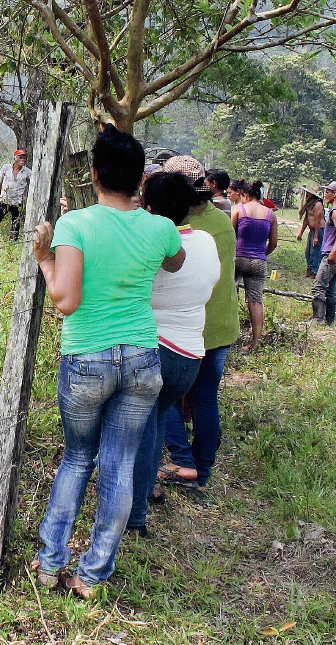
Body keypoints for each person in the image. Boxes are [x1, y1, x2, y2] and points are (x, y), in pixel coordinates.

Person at [30, 128, 185, 598]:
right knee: (119, 465)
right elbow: (175, 263)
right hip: (141, 358)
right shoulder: (159, 228)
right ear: (140, 179)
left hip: (87, 358)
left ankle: (50, 563)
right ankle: (92, 575)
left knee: (78, 459)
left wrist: (43, 257)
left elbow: (66, 300)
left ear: (93, 174)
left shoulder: (76, 224)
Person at [127, 169, 220, 537]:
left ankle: (135, 516)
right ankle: (145, 489)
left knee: (144, 429)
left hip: (158, 348)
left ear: (148, 207)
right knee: (155, 421)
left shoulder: (147, 244)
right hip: (191, 354)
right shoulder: (207, 242)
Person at [159, 156, 240, 490]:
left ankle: (181, 459)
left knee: (162, 396)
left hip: (188, 327)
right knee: (206, 398)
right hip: (221, 325)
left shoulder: (176, 227)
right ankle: (203, 469)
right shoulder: (222, 220)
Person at [231, 179, 278, 352]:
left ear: (245, 195)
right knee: (255, 301)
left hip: (238, 258)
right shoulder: (270, 214)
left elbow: (230, 236)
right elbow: (273, 243)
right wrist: (262, 254)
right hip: (258, 262)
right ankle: (255, 342)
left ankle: (229, 337)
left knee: (230, 296)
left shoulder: (238, 210)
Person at [311, 181, 336, 325]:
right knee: (331, 291)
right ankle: (330, 320)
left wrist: (332, 253)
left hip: (334, 255)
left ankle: (318, 319)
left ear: (334, 194)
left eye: (328, 192)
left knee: (318, 286)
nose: (325, 194)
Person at [0, 149, 31, 240]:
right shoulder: (6, 167)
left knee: (16, 223)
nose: (22, 159)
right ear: (15, 158)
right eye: (20, 157)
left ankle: (13, 240)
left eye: (24, 158)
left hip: (17, 201)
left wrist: (27, 198)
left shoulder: (27, 172)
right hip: (5, 199)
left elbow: (34, 183)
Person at [296, 189, 326, 278]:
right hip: (312, 231)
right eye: (307, 193)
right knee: (308, 252)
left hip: (319, 231)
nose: (307, 195)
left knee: (315, 251)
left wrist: (316, 237)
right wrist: (301, 233)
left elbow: (318, 221)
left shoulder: (318, 205)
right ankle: (309, 270)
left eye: (309, 193)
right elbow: (306, 219)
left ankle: (315, 272)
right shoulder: (309, 205)